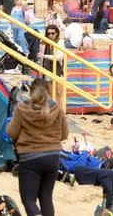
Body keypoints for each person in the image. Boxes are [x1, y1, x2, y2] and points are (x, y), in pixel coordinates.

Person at [6, 78, 69, 216]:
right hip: (52, 157)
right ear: (48, 90)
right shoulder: (57, 108)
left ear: (31, 91)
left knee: (29, 200)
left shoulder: (22, 108)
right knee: (46, 198)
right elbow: (64, 135)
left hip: (30, 158)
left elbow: (11, 132)